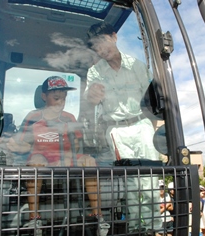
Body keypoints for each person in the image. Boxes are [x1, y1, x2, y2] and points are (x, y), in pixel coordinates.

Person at [7, 76, 109, 236]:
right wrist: (13, 145)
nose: (61, 102)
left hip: (66, 158)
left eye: (64, 98)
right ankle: (34, 218)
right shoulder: (32, 117)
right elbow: (23, 143)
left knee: (90, 161)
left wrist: (74, 156)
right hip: (42, 158)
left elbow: (76, 145)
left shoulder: (69, 118)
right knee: (36, 161)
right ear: (44, 96)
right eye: (56, 98)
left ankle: (98, 218)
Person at [84, 22, 161, 232]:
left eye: (103, 42)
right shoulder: (94, 72)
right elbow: (90, 98)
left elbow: (152, 100)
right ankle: (137, 228)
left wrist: (153, 127)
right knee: (130, 184)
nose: (101, 50)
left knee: (151, 181)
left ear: (114, 36)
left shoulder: (137, 65)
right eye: (96, 47)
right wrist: (92, 96)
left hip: (142, 125)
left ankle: (154, 228)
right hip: (116, 130)